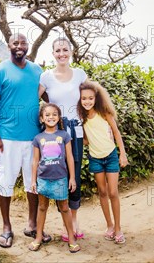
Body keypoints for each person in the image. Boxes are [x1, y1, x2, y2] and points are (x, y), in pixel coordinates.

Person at [0, 33, 52, 248]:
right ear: (9, 46)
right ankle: (6, 227)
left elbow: (47, 97)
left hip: (34, 138)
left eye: (23, 43)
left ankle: (32, 225)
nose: (19, 46)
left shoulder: (36, 71)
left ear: (28, 46)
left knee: (33, 182)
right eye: (16, 43)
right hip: (8, 138)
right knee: (5, 181)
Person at [38, 37, 87, 241]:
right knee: (58, 174)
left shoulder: (80, 74)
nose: (61, 54)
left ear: (71, 52)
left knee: (75, 173)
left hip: (76, 131)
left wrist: (103, 124)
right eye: (57, 50)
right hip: (55, 134)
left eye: (65, 50)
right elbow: (35, 99)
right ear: (53, 54)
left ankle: (73, 222)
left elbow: (90, 99)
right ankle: (61, 223)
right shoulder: (46, 77)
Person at [77, 80, 129, 244]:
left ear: (96, 98)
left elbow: (116, 133)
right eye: (84, 98)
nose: (87, 101)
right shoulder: (82, 117)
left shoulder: (104, 113)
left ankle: (119, 228)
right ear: (80, 99)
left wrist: (123, 154)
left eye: (90, 98)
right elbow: (86, 139)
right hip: (95, 158)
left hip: (111, 156)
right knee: (102, 192)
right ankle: (109, 226)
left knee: (113, 192)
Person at [28, 103, 81, 253]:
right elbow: (35, 161)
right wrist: (33, 180)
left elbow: (70, 157)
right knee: (42, 207)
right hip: (43, 179)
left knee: (64, 208)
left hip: (60, 179)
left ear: (58, 117)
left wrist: (72, 178)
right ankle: (38, 237)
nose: (51, 117)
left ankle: (71, 238)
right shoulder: (38, 138)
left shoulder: (64, 135)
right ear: (42, 118)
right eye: (47, 115)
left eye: (54, 114)